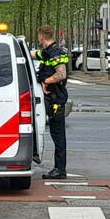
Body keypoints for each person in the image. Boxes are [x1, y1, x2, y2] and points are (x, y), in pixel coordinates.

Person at [35, 25, 69, 180]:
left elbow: (61, 74)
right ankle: (59, 168)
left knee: (58, 134)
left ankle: (60, 170)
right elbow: (34, 54)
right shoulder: (48, 52)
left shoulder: (56, 52)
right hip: (51, 97)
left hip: (56, 98)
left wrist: (46, 82)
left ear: (41, 36)